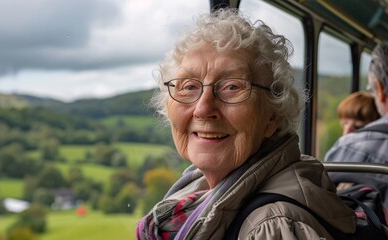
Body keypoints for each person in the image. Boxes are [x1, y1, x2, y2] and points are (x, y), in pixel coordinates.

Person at [136, 9, 355, 239]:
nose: (203, 109)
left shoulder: (273, 228)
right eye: (189, 86)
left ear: (272, 115)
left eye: (232, 87)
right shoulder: (200, 187)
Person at [325, 42, 388, 167]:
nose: (348, 132)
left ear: (380, 90)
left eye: (359, 127)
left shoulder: (345, 149)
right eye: (344, 124)